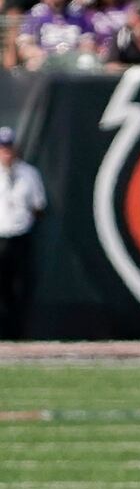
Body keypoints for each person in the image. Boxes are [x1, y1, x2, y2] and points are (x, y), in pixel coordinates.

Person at [0, 127, 47, 339]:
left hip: (21, 237)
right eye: (2, 148)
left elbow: (39, 206)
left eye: (9, 148)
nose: (6, 152)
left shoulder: (29, 173)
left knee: (21, 285)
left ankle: (18, 333)